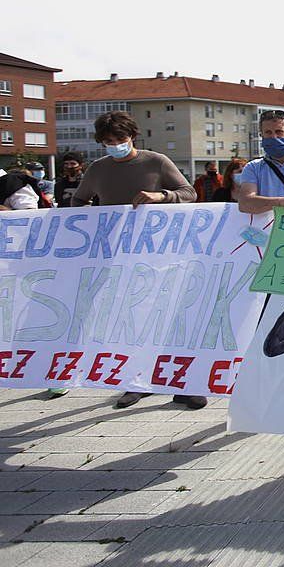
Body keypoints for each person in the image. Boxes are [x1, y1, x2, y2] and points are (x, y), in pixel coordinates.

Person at [69, 111, 203, 409]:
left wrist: (161, 196)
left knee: (169, 317)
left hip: (161, 253)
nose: (115, 145)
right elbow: (78, 201)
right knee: (130, 321)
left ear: (132, 137)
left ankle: (182, 383)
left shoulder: (156, 161)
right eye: (108, 141)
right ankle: (136, 381)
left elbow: (189, 193)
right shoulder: (98, 169)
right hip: (117, 256)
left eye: (120, 139)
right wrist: (89, 218)